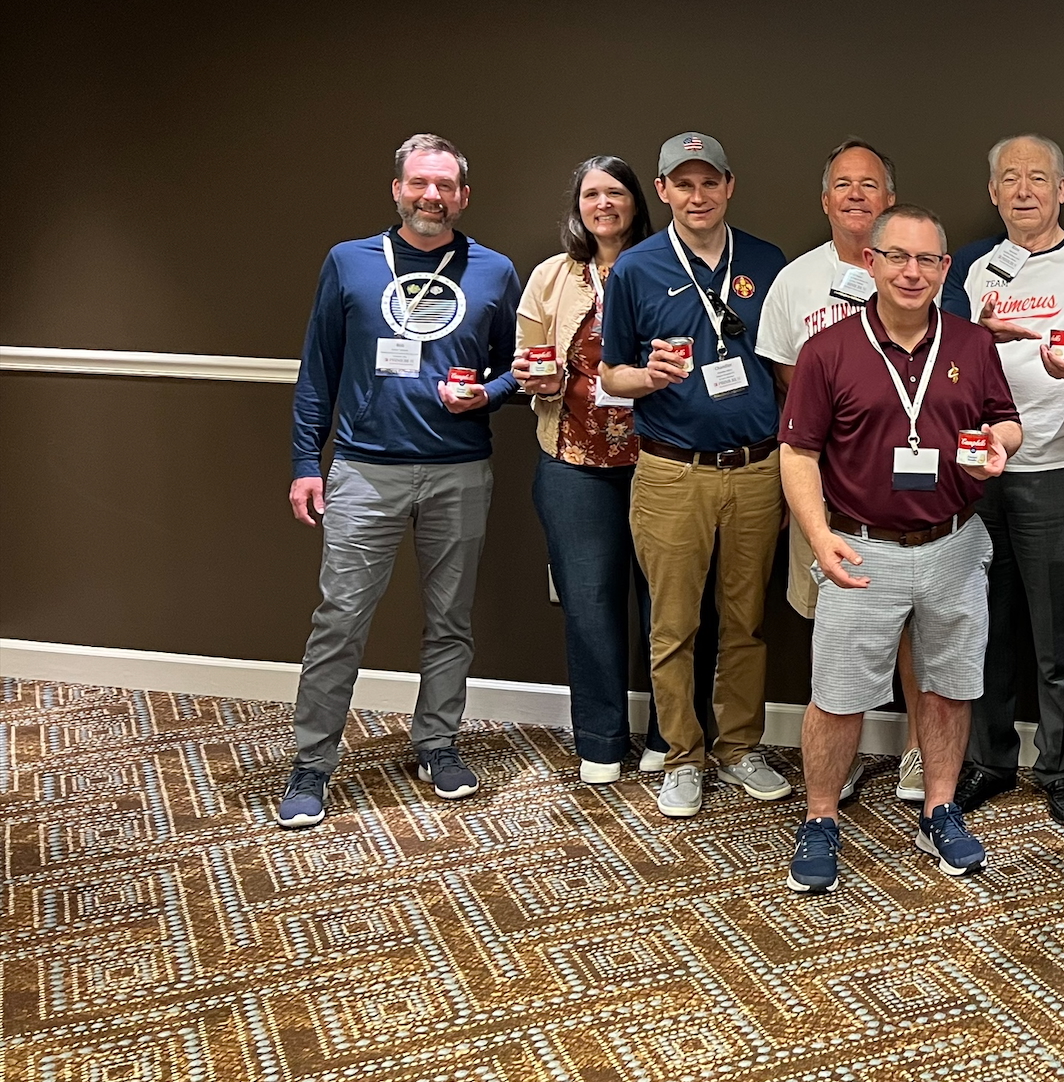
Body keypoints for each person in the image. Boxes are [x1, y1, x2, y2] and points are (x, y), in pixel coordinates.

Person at [277, 133, 521, 828]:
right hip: (363, 470)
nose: (431, 196)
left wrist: (488, 394)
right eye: (419, 182)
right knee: (340, 620)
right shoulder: (349, 262)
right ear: (397, 189)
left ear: (463, 196)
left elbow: (517, 367)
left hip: (459, 470)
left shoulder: (494, 270)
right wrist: (305, 462)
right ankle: (312, 762)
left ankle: (437, 743)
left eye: (445, 185)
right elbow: (318, 368)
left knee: (450, 621)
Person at [780, 206, 1022, 893]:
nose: (912, 272)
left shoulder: (972, 343)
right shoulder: (828, 350)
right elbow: (797, 453)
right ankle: (821, 818)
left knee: (948, 689)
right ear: (871, 262)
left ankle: (940, 810)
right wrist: (819, 537)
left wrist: (998, 445)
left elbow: (1006, 422)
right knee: (837, 696)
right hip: (861, 550)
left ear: (945, 269)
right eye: (897, 257)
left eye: (927, 260)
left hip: (953, 543)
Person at [599, 133, 791, 820]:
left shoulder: (767, 261)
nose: (698, 195)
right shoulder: (636, 268)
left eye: (710, 182)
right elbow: (610, 373)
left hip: (756, 469)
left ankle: (738, 747)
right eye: (683, 183)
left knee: (746, 622)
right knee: (674, 625)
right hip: (672, 472)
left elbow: (785, 367)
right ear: (663, 191)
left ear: (729, 186)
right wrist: (645, 377)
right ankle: (682, 755)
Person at [941, 134, 1064, 825]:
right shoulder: (966, 266)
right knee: (982, 628)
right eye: (1011, 179)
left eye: (1039, 178)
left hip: (1061, 471)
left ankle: (1060, 770)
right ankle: (988, 761)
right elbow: (936, 366)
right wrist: (977, 337)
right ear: (993, 192)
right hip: (979, 472)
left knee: (1060, 637)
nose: (1025, 190)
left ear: (1062, 190)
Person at [755, 137, 902, 801]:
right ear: (824, 200)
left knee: (912, 624)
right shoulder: (795, 281)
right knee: (832, 626)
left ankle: (919, 753)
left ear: (889, 199)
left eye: (869, 184)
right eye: (843, 184)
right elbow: (787, 378)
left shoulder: (915, 270)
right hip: (825, 485)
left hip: (906, 487)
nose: (855, 195)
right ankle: (836, 762)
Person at [514, 154, 662, 783]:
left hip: (659, 461)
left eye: (616, 193)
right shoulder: (552, 277)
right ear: (578, 206)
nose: (604, 204)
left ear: (636, 202)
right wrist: (536, 378)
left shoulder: (664, 268)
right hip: (574, 462)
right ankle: (601, 739)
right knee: (589, 603)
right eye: (591, 194)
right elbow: (527, 359)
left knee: (668, 606)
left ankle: (669, 734)